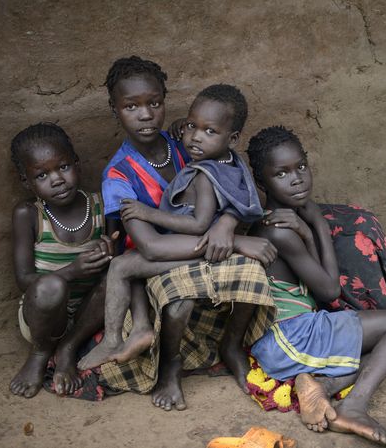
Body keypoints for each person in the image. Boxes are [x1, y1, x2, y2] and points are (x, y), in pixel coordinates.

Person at [98, 56, 277, 411]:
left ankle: (231, 345)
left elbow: (235, 181)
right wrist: (236, 239)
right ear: (115, 110)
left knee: (254, 276)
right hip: (159, 260)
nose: (145, 114)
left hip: (200, 249)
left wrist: (227, 223)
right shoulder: (118, 176)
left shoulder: (187, 140)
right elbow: (149, 246)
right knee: (177, 302)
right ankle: (169, 369)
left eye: (154, 103)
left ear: (166, 101)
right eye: (131, 107)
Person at [247, 126, 386, 447]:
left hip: (283, 337)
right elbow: (328, 291)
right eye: (281, 173)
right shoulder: (279, 230)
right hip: (293, 337)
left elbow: (317, 284)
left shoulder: (281, 221)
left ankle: (323, 387)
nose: (297, 178)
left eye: (300, 167)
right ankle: (354, 406)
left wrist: (311, 231)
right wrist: (319, 229)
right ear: (261, 183)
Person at [77, 83, 264, 371]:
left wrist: (148, 213)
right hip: (196, 242)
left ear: (233, 137)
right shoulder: (225, 159)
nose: (195, 138)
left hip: (197, 243)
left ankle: (113, 339)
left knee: (121, 267)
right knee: (127, 263)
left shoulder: (204, 171)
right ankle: (139, 328)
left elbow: (198, 224)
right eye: (191, 126)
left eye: (208, 131)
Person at [9, 122, 117, 398]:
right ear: (27, 182)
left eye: (63, 167)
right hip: (42, 315)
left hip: (90, 314)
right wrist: (72, 271)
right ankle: (42, 352)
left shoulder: (101, 206)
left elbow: (121, 254)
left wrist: (109, 254)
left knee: (117, 273)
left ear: (77, 164)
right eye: (42, 175)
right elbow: (24, 281)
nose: (57, 179)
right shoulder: (28, 215)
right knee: (51, 287)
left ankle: (68, 347)